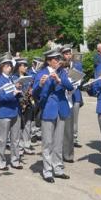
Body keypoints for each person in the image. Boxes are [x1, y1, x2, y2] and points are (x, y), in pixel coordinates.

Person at [32, 48, 73, 183]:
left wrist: (59, 79)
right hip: (48, 110)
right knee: (48, 142)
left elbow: (70, 86)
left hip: (61, 109)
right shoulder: (41, 73)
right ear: (49, 61)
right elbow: (35, 94)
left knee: (58, 141)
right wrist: (41, 84)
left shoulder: (61, 72)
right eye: (56, 59)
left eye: (59, 59)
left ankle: (58, 168)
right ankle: (47, 171)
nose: (59, 61)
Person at [0, 53, 23, 171]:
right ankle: (1, 162)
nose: (9, 68)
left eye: (10, 66)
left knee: (15, 139)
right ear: (1, 67)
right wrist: (13, 94)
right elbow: (0, 97)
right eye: (6, 66)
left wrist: (19, 90)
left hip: (15, 111)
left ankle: (15, 160)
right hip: (4, 112)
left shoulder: (12, 78)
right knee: (2, 140)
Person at [60, 45, 84, 164]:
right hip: (62, 98)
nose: (68, 56)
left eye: (69, 53)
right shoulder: (60, 67)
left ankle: (69, 152)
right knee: (62, 127)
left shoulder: (77, 65)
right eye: (65, 54)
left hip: (74, 96)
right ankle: (62, 152)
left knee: (72, 124)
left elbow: (80, 78)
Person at [13, 57, 35, 156]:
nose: (26, 67)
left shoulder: (29, 76)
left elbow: (31, 88)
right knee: (20, 126)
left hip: (28, 102)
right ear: (19, 66)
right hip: (19, 102)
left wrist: (31, 91)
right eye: (24, 66)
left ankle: (27, 145)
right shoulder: (14, 77)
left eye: (27, 66)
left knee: (28, 124)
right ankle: (20, 147)